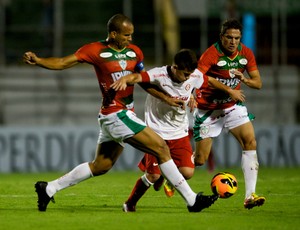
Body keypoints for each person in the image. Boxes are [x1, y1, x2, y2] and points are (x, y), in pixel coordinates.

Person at [23, 14, 218, 212]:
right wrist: (39, 60)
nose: (130, 39)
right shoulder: (94, 50)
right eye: (126, 35)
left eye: (131, 34)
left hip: (122, 114)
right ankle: (192, 200)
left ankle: (48, 188)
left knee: (100, 166)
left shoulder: (135, 52)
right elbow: (63, 62)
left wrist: (166, 98)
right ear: (113, 34)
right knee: (160, 147)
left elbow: (143, 81)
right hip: (115, 113)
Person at [111, 49, 245, 212]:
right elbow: (140, 77)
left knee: (188, 172)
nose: (188, 77)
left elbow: (209, 80)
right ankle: (130, 203)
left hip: (178, 132)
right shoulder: (160, 75)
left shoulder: (194, 76)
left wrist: (229, 91)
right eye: (185, 74)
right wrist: (126, 78)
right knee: (153, 177)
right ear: (175, 67)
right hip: (156, 131)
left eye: (190, 74)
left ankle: (167, 177)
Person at [192, 18, 266, 209]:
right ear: (221, 37)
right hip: (208, 109)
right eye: (229, 37)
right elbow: (199, 77)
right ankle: (174, 172)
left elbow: (258, 83)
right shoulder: (211, 53)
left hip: (232, 107)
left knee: (250, 141)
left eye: (237, 38)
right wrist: (228, 89)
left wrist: (244, 80)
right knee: (200, 160)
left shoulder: (245, 53)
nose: (233, 42)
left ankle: (250, 196)